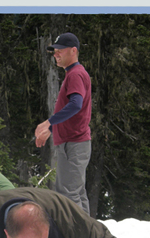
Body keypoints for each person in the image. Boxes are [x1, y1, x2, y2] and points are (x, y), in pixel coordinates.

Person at [34, 33, 92, 216]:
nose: (56, 54)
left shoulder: (75, 74)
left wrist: (49, 122)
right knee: (76, 192)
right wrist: (51, 128)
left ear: (73, 51)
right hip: (73, 143)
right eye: (54, 52)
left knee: (68, 194)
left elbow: (76, 104)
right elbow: (71, 109)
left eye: (60, 50)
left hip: (73, 143)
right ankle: (87, 236)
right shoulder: (73, 73)